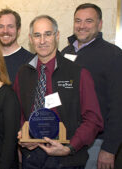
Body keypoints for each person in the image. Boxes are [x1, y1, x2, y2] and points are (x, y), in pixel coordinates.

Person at [14, 15, 103, 168]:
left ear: (57, 35)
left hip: (66, 159)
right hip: (32, 157)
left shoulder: (78, 73)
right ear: (30, 38)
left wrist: (69, 147)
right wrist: (23, 135)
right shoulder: (23, 73)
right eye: (37, 35)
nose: (42, 41)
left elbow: (93, 119)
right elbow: (17, 113)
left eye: (48, 34)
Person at [61, 3, 122, 169]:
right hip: (68, 141)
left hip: (98, 143)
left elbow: (119, 106)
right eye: (78, 21)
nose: (82, 26)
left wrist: (109, 148)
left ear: (99, 24)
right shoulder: (65, 53)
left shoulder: (114, 55)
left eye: (88, 21)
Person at [0, 8, 33, 83]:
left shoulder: (30, 61)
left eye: (10, 26)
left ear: (18, 30)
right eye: (1, 26)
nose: (5, 31)